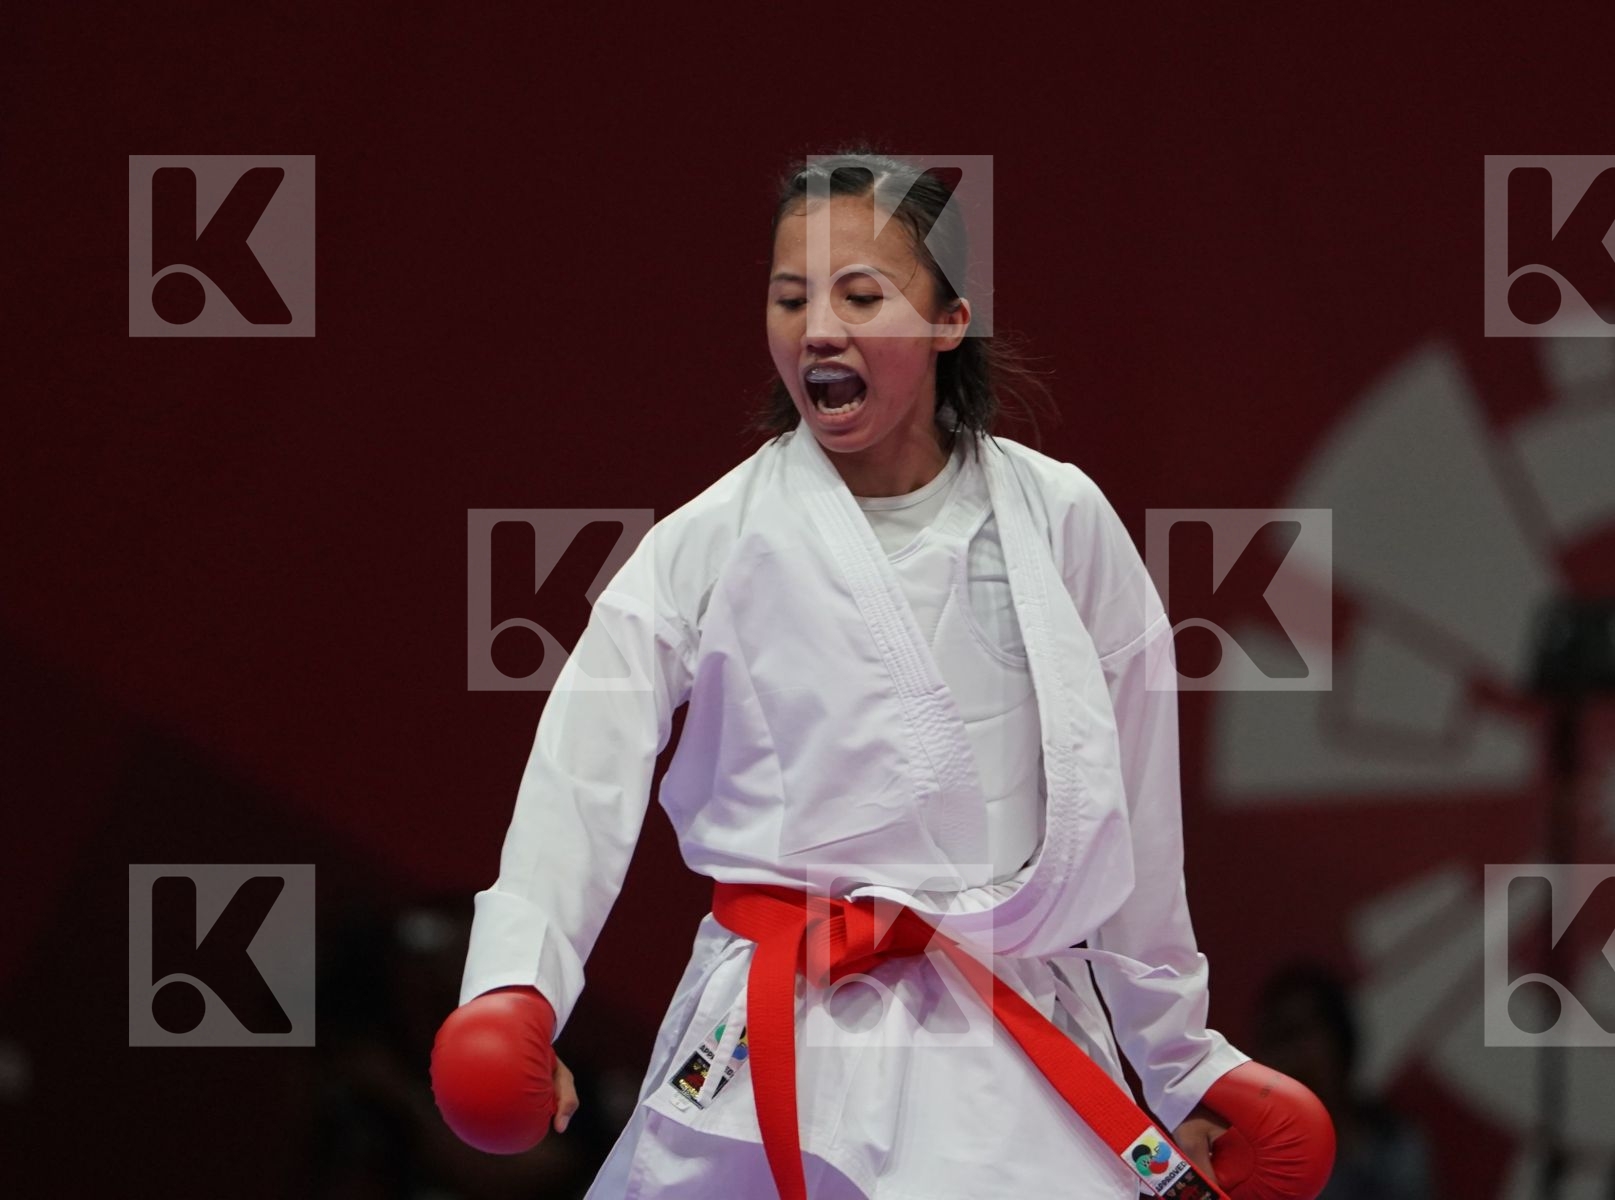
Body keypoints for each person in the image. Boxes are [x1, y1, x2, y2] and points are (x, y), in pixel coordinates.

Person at [429, 145, 1336, 1199]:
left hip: (1009, 1036)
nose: (818, 326)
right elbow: (581, 776)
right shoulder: (712, 541)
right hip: (773, 1036)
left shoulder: (1062, 522)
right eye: (790, 296)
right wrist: (514, 992)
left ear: (952, 320)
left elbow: (1129, 809)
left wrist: (1182, 1061)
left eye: (862, 293)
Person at [1253, 964, 1433, 1200]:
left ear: (1340, 1043)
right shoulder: (1251, 1162)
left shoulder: (1395, 1148)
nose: (1292, 1056)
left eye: (1301, 1033)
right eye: (1278, 1039)